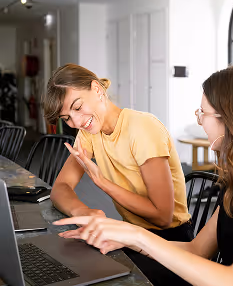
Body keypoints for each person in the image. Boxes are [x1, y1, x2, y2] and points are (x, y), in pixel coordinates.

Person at [55, 66, 233, 286]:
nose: (200, 121)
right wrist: (124, 238)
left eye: (203, 113)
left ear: (232, 118)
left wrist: (136, 236)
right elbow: (196, 250)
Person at [43, 64, 193, 236]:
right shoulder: (89, 133)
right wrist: (84, 212)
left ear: (97, 90)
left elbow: (163, 216)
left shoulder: (142, 128)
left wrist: (103, 183)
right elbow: (61, 186)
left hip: (172, 239)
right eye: (66, 118)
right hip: (133, 232)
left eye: (77, 108)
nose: (76, 123)